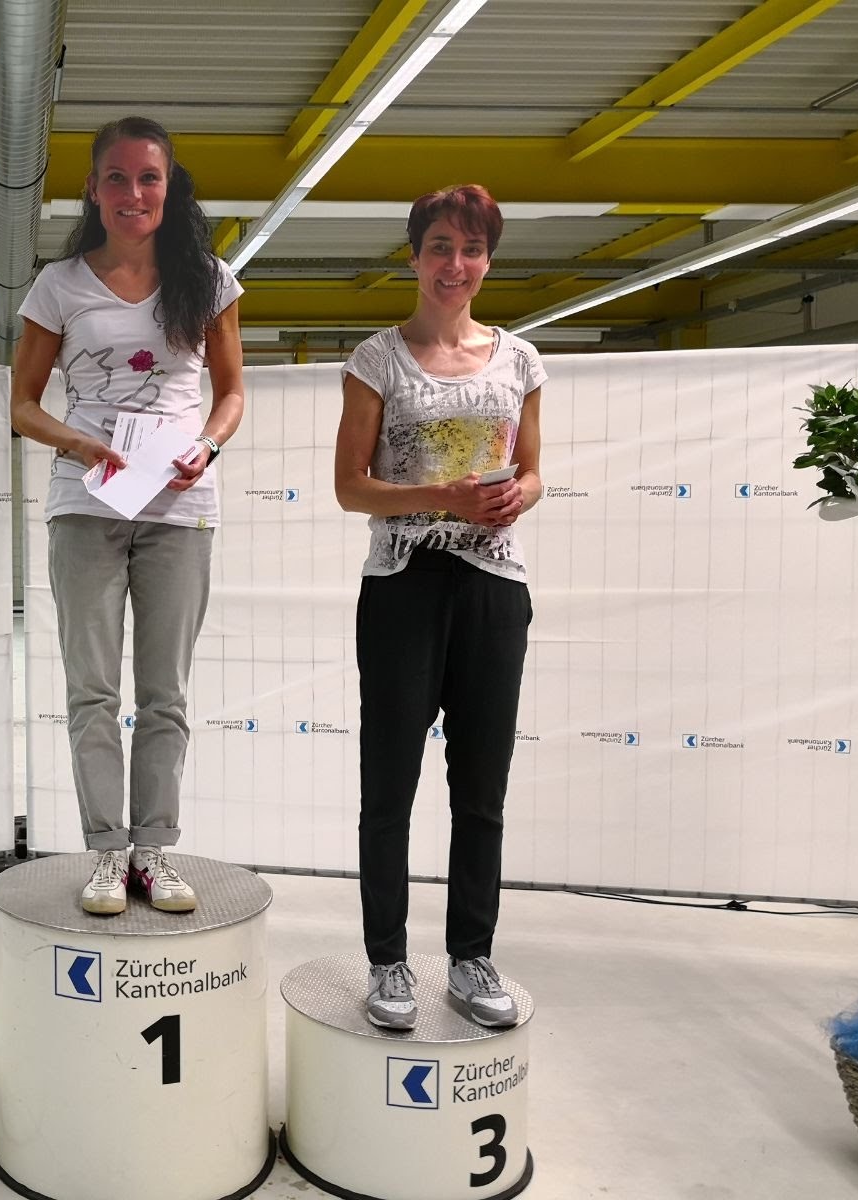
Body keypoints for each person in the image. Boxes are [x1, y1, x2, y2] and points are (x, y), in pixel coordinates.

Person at [11, 116, 245, 916]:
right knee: (92, 689)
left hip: (180, 505)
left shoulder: (207, 279)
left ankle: (154, 849)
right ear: (92, 189)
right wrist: (79, 443)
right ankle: (107, 851)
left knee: (165, 690)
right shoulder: (59, 285)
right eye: (116, 176)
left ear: (169, 188)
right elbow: (22, 404)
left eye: (149, 177)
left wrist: (208, 445)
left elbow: (231, 393)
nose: (133, 192)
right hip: (88, 503)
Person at [333, 184, 544, 1030]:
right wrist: (442, 500)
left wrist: (520, 494)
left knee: (481, 788)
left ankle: (470, 955)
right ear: (415, 257)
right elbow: (351, 487)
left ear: (488, 259)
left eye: (472, 249)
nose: (456, 265)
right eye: (440, 248)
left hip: (495, 588)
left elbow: (533, 469)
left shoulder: (520, 361)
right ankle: (388, 960)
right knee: (389, 785)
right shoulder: (377, 360)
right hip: (403, 587)